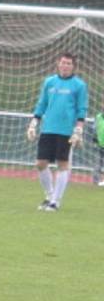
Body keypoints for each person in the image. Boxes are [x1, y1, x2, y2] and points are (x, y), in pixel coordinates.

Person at [26, 52, 88, 211]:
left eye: (69, 63)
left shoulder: (79, 85)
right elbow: (42, 103)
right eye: (63, 63)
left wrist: (78, 129)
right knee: (40, 164)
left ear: (73, 66)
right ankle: (49, 195)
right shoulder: (49, 82)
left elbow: (82, 109)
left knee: (62, 165)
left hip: (66, 131)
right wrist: (34, 122)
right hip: (48, 129)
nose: (65, 66)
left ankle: (55, 201)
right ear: (58, 64)